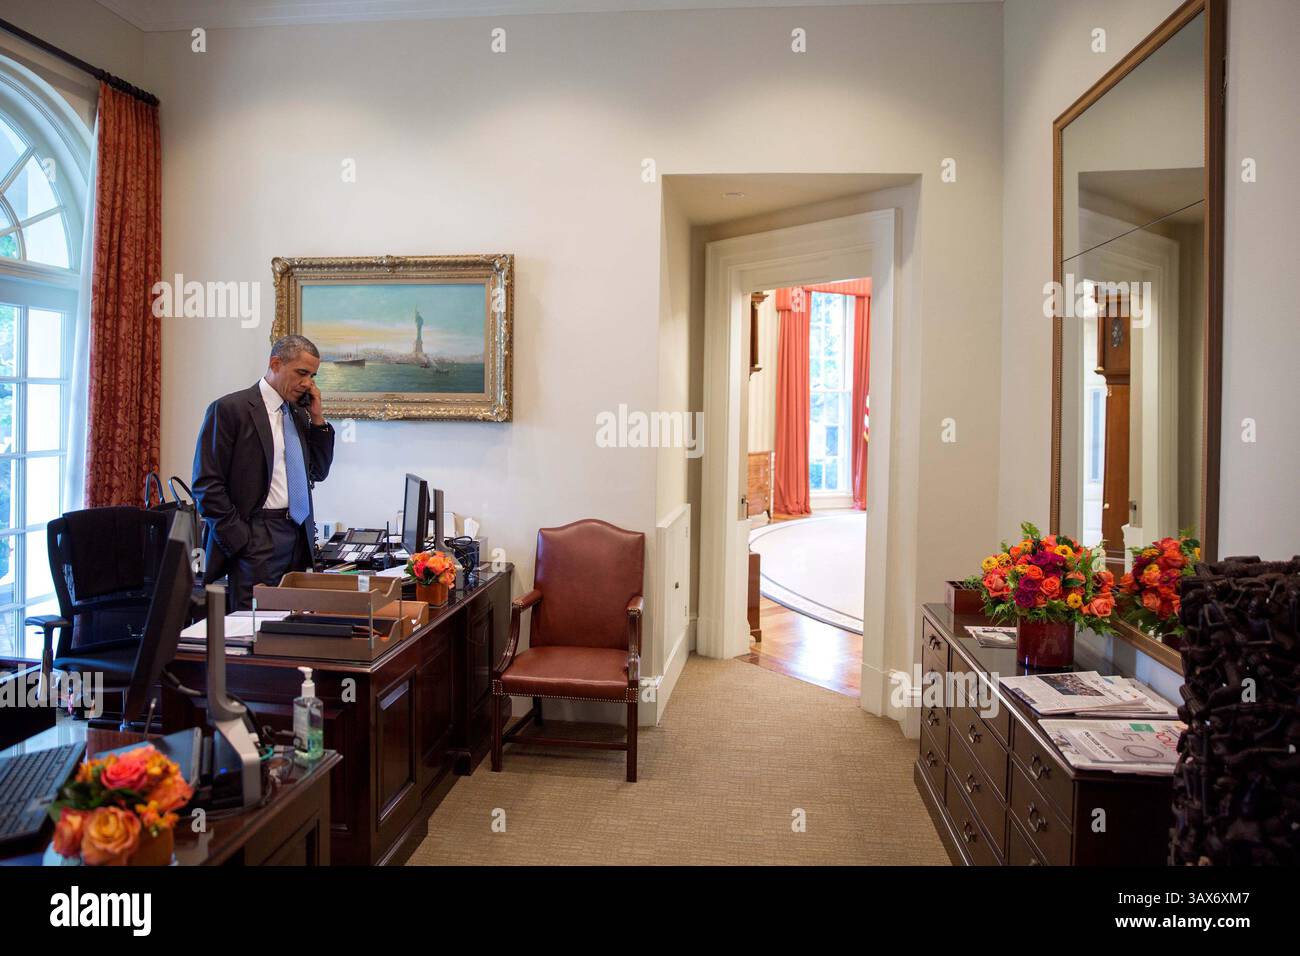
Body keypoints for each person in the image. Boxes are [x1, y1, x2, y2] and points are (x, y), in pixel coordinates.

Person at [192, 335, 335, 610]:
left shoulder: (299, 413)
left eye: (313, 375)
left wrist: (318, 418)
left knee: (291, 624)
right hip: (256, 535)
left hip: (296, 534)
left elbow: (318, 471)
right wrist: (240, 539)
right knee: (254, 627)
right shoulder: (230, 410)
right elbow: (206, 484)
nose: (308, 383)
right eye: (302, 373)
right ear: (275, 364)